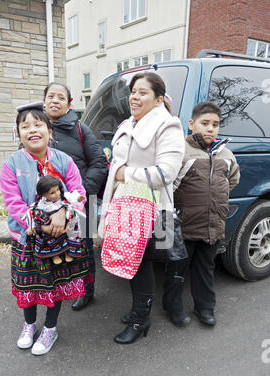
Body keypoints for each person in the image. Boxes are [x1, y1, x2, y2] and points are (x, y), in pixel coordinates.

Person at [98, 72, 185, 344]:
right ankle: (139, 311)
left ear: (158, 98)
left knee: (141, 264)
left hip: (151, 208)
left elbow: (167, 172)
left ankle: (140, 319)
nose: (135, 97)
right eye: (133, 91)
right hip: (124, 205)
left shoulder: (168, 125)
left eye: (143, 92)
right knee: (130, 262)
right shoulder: (129, 123)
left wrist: (128, 174)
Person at [0, 103, 92, 356]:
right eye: (25, 126)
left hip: (62, 236)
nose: (32, 130)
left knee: (57, 282)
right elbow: (13, 203)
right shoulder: (11, 165)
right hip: (28, 238)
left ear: (50, 131)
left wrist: (64, 212)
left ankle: (50, 327)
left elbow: (79, 192)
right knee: (28, 284)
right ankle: (29, 325)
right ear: (18, 133)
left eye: (38, 124)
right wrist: (41, 224)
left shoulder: (65, 161)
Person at [162, 101, 240, 327]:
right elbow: (168, 184)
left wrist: (213, 201)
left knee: (206, 268)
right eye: (204, 123)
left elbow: (232, 181)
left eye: (215, 124)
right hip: (183, 225)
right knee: (176, 268)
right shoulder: (182, 151)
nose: (210, 129)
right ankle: (172, 305)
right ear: (191, 124)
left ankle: (205, 307)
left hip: (212, 225)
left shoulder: (226, 154)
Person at [43, 82, 108, 311]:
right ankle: (58, 288)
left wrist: (80, 196)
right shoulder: (37, 129)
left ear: (69, 103)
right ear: (44, 101)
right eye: (51, 96)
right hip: (47, 205)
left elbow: (99, 163)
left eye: (61, 97)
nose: (55, 101)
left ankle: (86, 291)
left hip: (80, 203)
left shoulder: (81, 129)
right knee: (51, 247)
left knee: (83, 249)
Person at [24, 175, 85, 265]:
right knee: (49, 239)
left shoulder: (63, 197)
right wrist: (31, 227)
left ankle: (68, 252)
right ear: (44, 194)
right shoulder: (41, 204)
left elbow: (72, 197)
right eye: (52, 193)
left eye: (57, 190)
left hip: (65, 223)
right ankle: (55, 255)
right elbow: (32, 213)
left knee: (70, 234)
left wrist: (78, 198)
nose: (57, 193)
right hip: (49, 225)